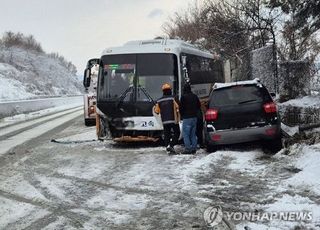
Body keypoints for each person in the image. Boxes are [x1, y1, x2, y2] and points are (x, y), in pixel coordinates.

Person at [154, 83, 180, 155]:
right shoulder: (173, 98)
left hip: (165, 121)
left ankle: (167, 148)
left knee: (167, 134)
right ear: (170, 90)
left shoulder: (159, 101)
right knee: (177, 133)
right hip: (173, 120)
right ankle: (171, 145)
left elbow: (156, 111)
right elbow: (178, 106)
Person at [180, 83, 201, 154]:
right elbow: (199, 105)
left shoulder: (183, 97)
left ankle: (188, 149)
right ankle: (194, 148)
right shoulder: (195, 96)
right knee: (193, 134)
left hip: (187, 118)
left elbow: (181, 108)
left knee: (186, 134)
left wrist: (182, 115)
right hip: (194, 117)